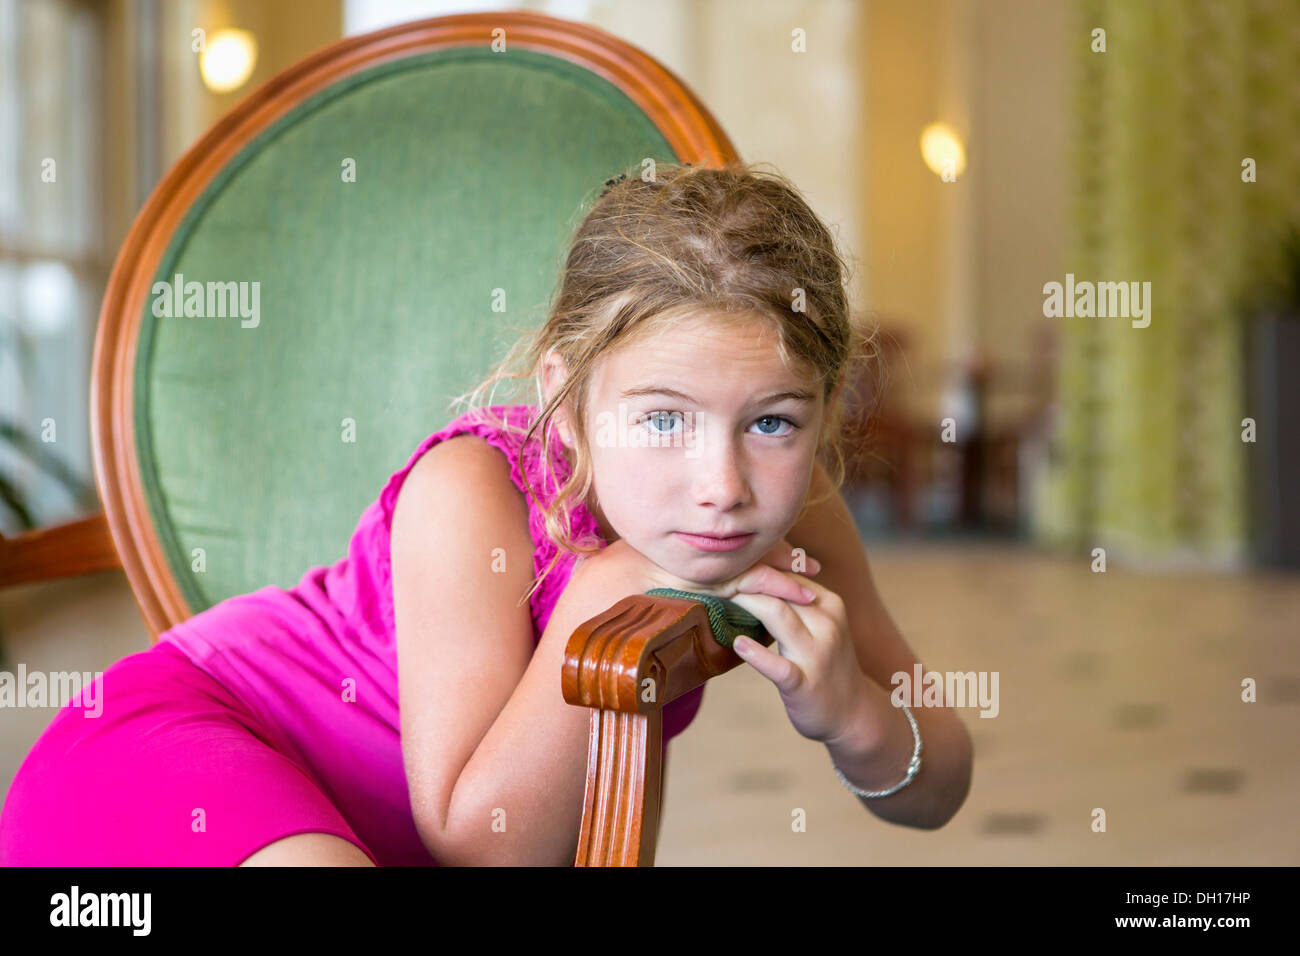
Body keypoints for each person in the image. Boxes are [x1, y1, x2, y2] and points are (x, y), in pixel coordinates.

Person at [0, 161, 971, 866]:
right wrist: (602, 592)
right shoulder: (475, 494)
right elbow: (480, 845)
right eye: (663, 418)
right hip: (172, 747)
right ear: (569, 390)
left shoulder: (804, 509)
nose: (721, 482)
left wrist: (848, 713)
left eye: (770, 421)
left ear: (825, 406)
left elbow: (942, 783)